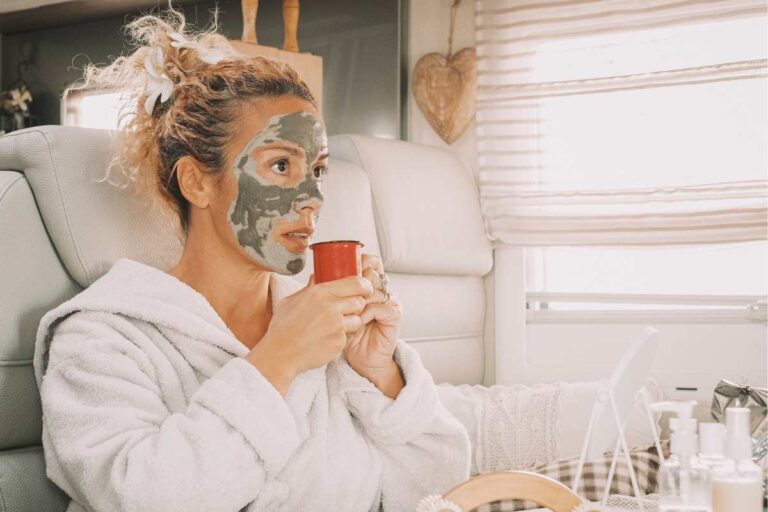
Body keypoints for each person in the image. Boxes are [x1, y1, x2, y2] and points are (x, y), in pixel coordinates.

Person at [32, 8, 470, 512]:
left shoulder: (325, 327)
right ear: (197, 182)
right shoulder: (103, 339)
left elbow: (437, 487)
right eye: (281, 165)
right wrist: (279, 358)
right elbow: (143, 498)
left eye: (319, 171)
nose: (313, 198)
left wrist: (379, 375)